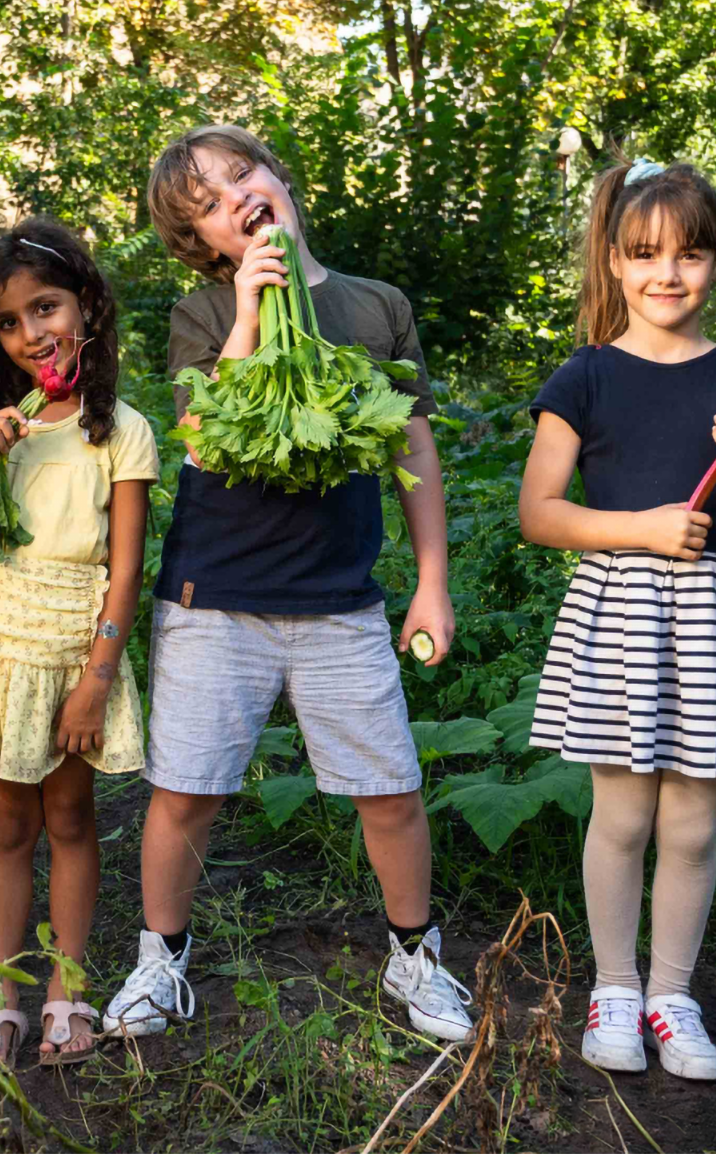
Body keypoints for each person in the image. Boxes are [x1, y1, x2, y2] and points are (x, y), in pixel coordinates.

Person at [104, 124, 475, 1045]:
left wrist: (432, 582)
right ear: (206, 244)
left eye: (241, 175)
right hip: (215, 596)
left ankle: (414, 957)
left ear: (276, 179)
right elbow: (201, 436)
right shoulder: (202, 313)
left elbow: (413, 443)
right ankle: (161, 959)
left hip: (340, 598)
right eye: (207, 207)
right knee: (186, 787)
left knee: (389, 787)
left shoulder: (375, 305)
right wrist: (246, 315)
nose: (234, 198)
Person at [518, 158, 716, 1082]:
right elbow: (540, 513)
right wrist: (640, 528)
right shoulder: (587, 376)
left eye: (691, 253)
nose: (668, 273)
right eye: (645, 254)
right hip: (621, 614)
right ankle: (613, 990)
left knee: (692, 826)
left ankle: (673, 999)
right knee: (624, 817)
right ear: (614, 260)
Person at [0, 220, 157, 1067]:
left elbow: (125, 571)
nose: (32, 336)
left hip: (69, 651)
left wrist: (99, 676)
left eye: (45, 308)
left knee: (70, 817)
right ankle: (1, 992)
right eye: (9, 324)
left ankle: (68, 989)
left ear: (87, 302)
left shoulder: (119, 430)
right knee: (8, 822)